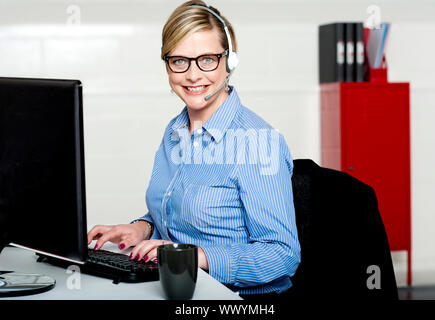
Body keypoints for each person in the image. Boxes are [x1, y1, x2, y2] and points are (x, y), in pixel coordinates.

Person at [87, 0, 300, 298]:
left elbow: (282, 255)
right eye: (179, 60)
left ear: (230, 61)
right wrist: (142, 229)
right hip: (179, 289)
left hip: (239, 299)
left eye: (207, 59)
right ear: (167, 65)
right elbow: (180, 215)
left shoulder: (257, 141)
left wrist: (194, 256)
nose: (193, 74)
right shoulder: (174, 131)